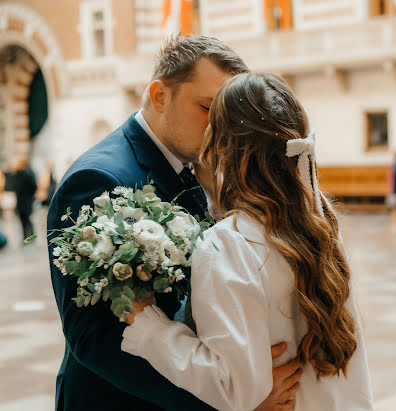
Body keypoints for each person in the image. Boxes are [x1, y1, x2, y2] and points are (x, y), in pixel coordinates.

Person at [47, 36, 301, 411]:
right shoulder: (99, 180)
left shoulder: (197, 162)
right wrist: (230, 399)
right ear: (160, 95)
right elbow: (95, 338)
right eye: (206, 108)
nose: (220, 128)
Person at [121, 72, 374, 410]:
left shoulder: (229, 244)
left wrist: (149, 327)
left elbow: (234, 387)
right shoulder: (318, 215)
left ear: (223, 149)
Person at [12, 157, 37, 241]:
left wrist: (31, 196)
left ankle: (31, 237)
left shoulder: (28, 173)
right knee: (22, 219)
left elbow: (33, 186)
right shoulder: (17, 174)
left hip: (26, 201)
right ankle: (25, 237)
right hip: (20, 201)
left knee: (27, 219)